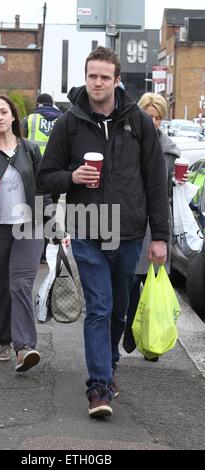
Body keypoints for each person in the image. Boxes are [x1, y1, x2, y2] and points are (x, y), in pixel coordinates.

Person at [38, 46, 169, 418]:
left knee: (118, 310)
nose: (97, 82)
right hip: (88, 230)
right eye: (92, 76)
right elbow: (46, 175)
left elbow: (156, 182)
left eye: (104, 77)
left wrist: (159, 235)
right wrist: (72, 176)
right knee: (99, 308)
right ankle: (98, 388)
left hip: (128, 233)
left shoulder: (139, 122)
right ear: (86, 77)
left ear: (116, 80)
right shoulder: (69, 123)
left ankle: (109, 365)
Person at [0, 94, 51, 373]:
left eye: (4, 111)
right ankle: (3, 339)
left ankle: (24, 346)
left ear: (14, 116)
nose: (0, 116)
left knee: (21, 284)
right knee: (0, 286)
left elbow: (43, 191)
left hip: (29, 227)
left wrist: (53, 225)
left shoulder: (30, 150)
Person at [111, 92, 181, 369]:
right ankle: (131, 334)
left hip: (157, 223)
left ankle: (150, 341)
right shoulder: (128, 141)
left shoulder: (169, 149)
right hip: (131, 220)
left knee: (153, 285)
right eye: (148, 115)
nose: (152, 121)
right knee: (129, 284)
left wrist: (179, 181)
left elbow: (167, 190)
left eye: (158, 117)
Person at [23, 93, 63, 263]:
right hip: (56, 174)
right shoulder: (62, 120)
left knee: (36, 212)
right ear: (52, 104)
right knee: (50, 209)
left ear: (38, 103)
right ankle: (45, 251)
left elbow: (17, 142)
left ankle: (36, 251)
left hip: (33, 173)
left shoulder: (29, 120)